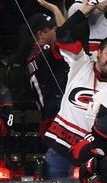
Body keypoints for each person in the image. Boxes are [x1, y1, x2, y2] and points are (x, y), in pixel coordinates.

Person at [43, 1, 107, 178]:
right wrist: (86, 9)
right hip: (59, 148)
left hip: (87, 154)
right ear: (99, 53)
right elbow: (63, 33)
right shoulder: (80, 63)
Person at [27, 11, 69, 151]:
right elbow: (65, 37)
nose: (56, 30)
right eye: (52, 29)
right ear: (41, 34)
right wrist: (56, 9)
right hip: (53, 118)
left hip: (51, 115)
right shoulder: (42, 53)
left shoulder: (34, 55)